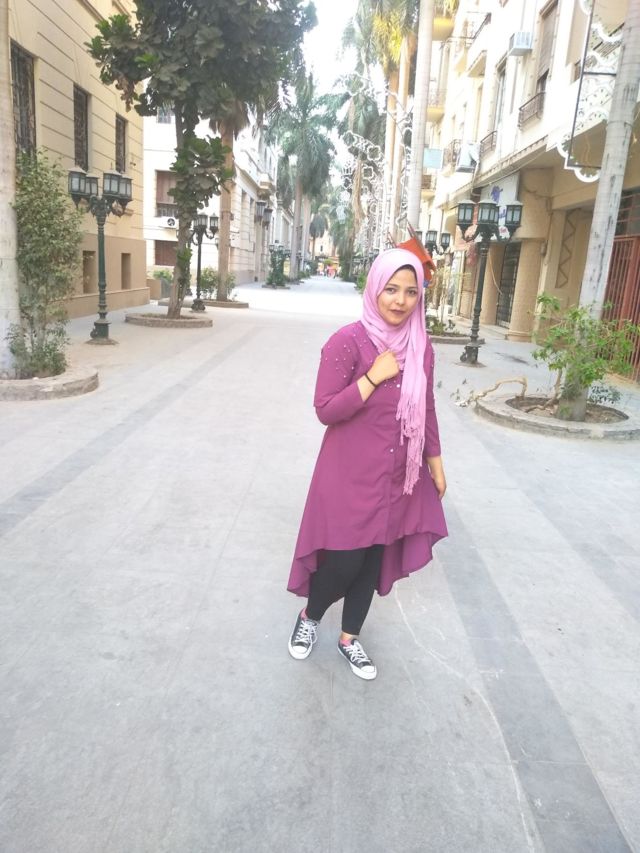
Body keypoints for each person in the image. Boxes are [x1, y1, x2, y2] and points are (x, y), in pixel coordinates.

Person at [286, 248, 448, 680]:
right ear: (375, 288)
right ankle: (310, 616)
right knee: (345, 561)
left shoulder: (420, 347)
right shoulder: (347, 341)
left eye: (411, 292)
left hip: (397, 475)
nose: (400, 301)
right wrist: (373, 376)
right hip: (347, 475)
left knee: (374, 559)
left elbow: (427, 407)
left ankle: (349, 638)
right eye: (391, 289)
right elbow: (326, 409)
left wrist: (435, 461)